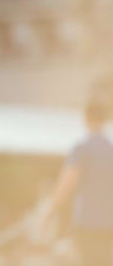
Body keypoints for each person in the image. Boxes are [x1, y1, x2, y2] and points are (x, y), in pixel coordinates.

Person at [45, 99, 113, 265]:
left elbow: (67, 184)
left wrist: (50, 211)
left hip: (87, 220)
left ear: (85, 118)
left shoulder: (82, 148)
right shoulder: (110, 149)